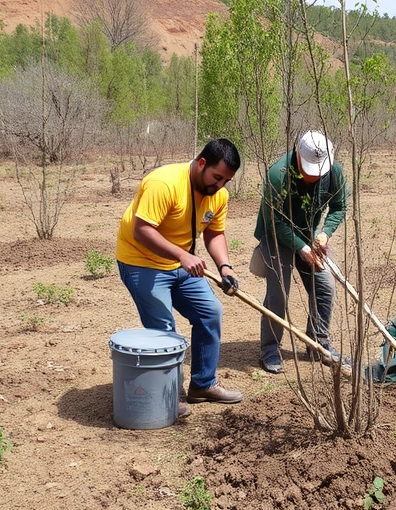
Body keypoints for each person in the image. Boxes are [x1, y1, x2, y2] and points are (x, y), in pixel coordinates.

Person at [116, 138, 245, 417]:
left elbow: (213, 233)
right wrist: (183, 256)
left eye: (227, 180)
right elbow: (142, 230)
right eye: (217, 177)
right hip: (142, 261)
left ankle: (203, 385)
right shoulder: (164, 183)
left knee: (210, 312)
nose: (220, 185)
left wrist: (225, 267)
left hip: (182, 264)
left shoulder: (218, 195)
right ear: (201, 164)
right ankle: (167, 396)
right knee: (164, 327)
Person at [254, 130, 349, 374]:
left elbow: (339, 207)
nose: (314, 176)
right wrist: (301, 247)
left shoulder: (333, 173)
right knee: (279, 294)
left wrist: (325, 233)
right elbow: (275, 221)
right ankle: (270, 349)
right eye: (309, 170)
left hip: (309, 236)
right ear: (298, 156)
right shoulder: (278, 175)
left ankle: (318, 343)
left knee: (325, 287)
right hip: (277, 236)